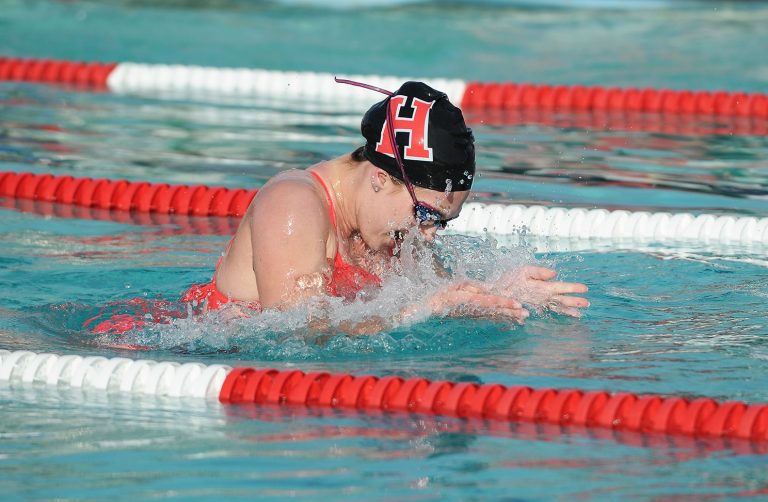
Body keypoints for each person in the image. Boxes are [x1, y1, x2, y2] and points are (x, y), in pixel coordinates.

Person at [177, 80, 589, 333]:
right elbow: (296, 335)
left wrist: (501, 293)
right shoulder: (294, 205)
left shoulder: (392, 232)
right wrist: (419, 312)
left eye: (441, 224)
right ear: (380, 179)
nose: (426, 235)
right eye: (427, 216)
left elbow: (441, 294)